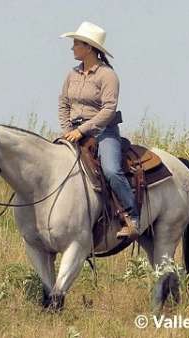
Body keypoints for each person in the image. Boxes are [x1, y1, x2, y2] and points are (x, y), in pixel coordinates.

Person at [58, 21, 144, 240]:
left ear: (88, 47)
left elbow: (108, 110)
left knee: (111, 170)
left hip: (104, 132)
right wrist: (68, 129)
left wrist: (83, 130)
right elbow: (63, 103)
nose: (72, 48)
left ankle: (132, 217)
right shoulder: (72, 74)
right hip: (74, 131)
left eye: (76, 44)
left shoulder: (107, 75)